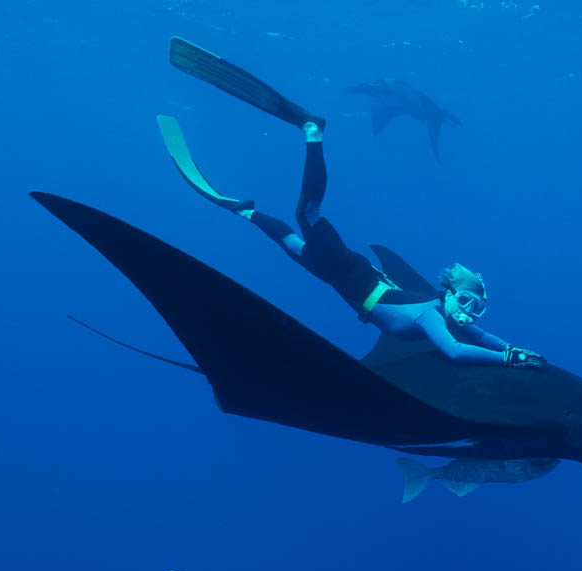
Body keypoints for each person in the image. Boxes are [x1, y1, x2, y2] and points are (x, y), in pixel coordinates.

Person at [160, 38, 545, 368]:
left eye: (475, 307)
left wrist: (511, 348)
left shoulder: (448, 314)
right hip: (345, 269)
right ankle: (313, 130)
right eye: (465, 301)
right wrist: (508, 359)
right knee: (308, 212)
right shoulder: (432, 314)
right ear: (449, 295)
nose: (468, 312)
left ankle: (244, 209)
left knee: (290, 243)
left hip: (338, 277)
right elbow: (457, 353)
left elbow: (480, 334)